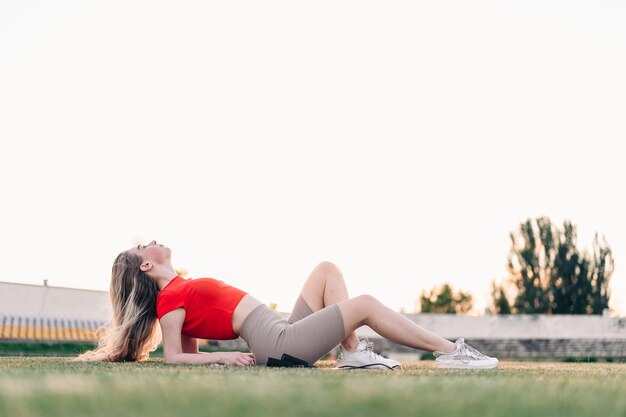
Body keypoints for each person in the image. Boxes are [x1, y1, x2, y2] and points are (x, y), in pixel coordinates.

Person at [76, 240, 499, 369]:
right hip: (278, 342)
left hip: (278, 332)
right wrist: (222, 362)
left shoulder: (179, 290)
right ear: (147, 264)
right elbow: (174, 357)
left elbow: (189, 349)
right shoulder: (169, 300)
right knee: (366, 303)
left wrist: (208, 357)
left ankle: (351, 354)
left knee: (327, 270)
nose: (150, 240)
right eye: (141, 246)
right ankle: (451, 353)